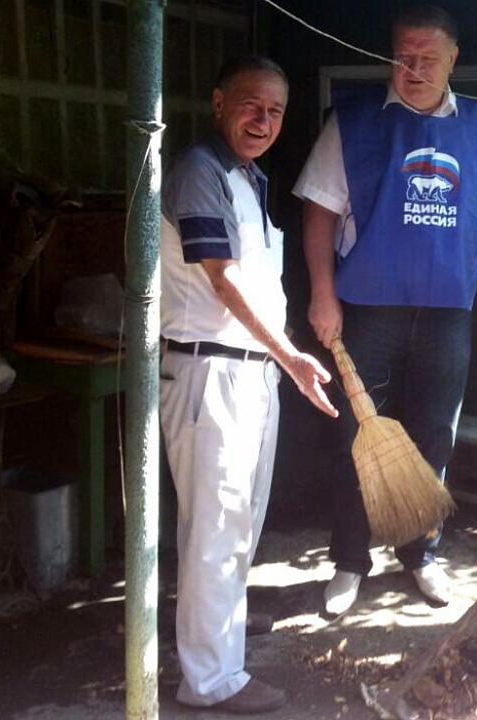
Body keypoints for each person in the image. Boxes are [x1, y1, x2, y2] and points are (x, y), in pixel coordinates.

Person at [293, 4, 477, 616]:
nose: (413, 69)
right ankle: (349, 560)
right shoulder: (355, 123)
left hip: (447, 313)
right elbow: (319, 214)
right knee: (356, 436)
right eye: (403, 57)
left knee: (434, 434)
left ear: (453, 60)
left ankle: (421, 554)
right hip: (367, 311)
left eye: (428, 58)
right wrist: (321, 292)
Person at [160, 55, 339, 714]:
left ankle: (222, 631)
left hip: (249, 371)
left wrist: (280, 359)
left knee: (240, 520)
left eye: (276, 111)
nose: (263, 121)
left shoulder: (247, 177)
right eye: (250, 105)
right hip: (210, 371)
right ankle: (210, 680)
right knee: (215, 527)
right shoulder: (198, 171)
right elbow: (223, 278)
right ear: (218, 103)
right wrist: (291, 355)